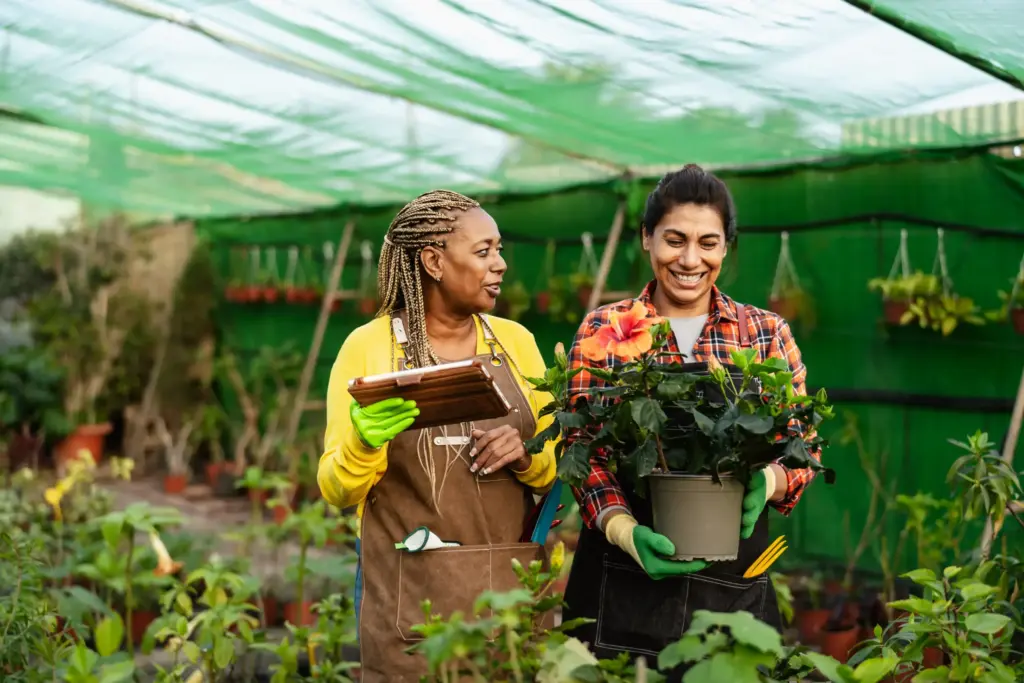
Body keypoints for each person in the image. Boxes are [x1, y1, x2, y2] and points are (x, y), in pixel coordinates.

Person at [561, 165, 821, 674]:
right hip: (622, 577)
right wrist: (622, 530)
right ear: (646, 238)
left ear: (726, 247)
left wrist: (768, 480)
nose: (689, 260)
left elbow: (803, 443)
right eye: (674, 240)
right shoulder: (606, 328)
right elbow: (583, 447)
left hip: (731, 578)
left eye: (708, 243)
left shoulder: (763, 334)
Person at [317, 189, 558, 683]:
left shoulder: (517, 343)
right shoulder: (368, 347)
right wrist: (362, 444)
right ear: (433, 261)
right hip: (408, 604)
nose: (500, 265)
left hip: (505, 594)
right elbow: (336, 489)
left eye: (500, 250)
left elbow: (553, 464)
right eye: (484, 251)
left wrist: (525, 454)